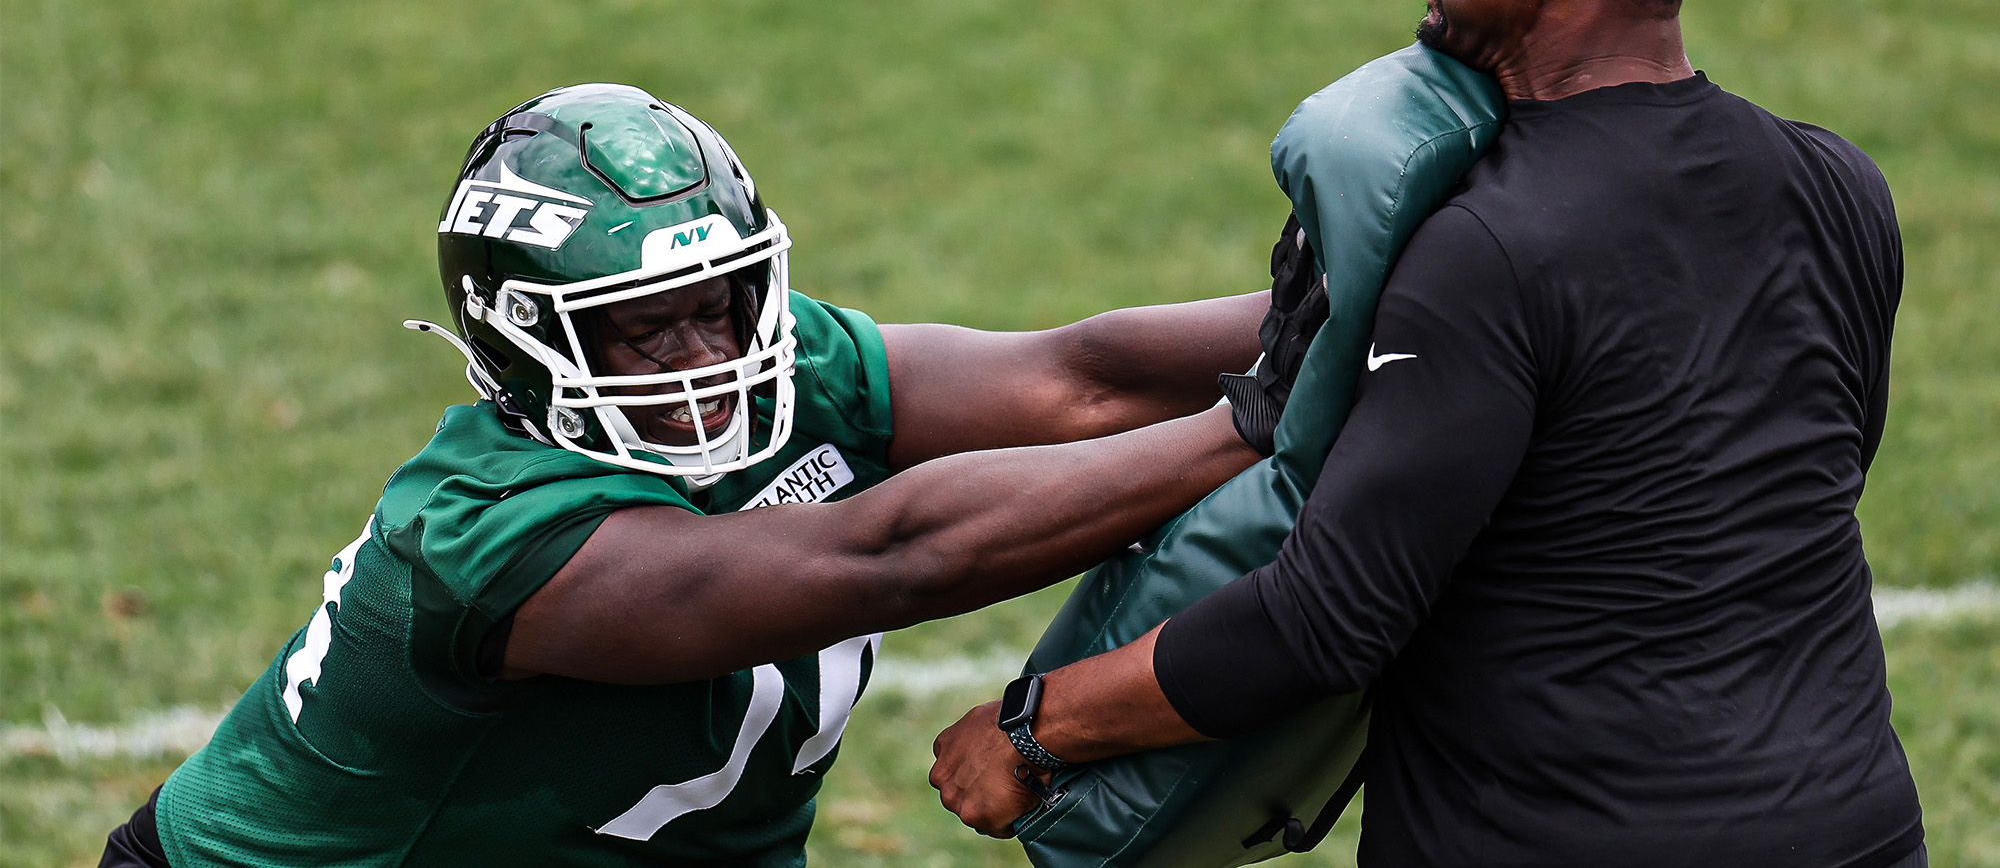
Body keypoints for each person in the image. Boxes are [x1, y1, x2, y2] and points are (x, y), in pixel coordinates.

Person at [930, 0, 1926, 866]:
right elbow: (1809, 472)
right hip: (1853, 827)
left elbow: (1326, 616)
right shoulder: (1839, 184)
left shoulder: (1487, 248)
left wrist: (1034, 728)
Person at [101, 82, 1266, 868]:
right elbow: (888, 559)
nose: (705, 360)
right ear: (520, 341)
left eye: (716, 306)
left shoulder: (785, 357)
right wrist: (1256, 423)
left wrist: (1353, 302)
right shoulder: (491, 537)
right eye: (642, 330)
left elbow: (1080, 379)